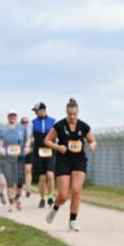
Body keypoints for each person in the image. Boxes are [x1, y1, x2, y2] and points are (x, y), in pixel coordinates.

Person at [43, 98, 96, 231]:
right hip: (63, 160)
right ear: (66, 113)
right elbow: (47, 140)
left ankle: (72, 221)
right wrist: (57, 147)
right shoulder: (59, 125)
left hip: (79, 160)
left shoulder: (83, 126)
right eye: (70, 114)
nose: (72, 117)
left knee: (77, 191)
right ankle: (55, 208)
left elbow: (92, 140)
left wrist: (92, 145)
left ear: (78, 113)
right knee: (63, 195)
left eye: (74, 114)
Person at [30, 102, 57, 209]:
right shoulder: (33, 122)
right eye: (35, 111)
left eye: (37, 111)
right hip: (38, 153)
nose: (36, 113)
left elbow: (58, 135)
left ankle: (50, 195)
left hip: (50, 151)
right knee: (42, 178)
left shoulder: (53, 121)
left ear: (43, 110)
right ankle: (42, 198)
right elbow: (30, 135)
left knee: (50, 175)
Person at [0, 110, 26, 211]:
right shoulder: (3, 129)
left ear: (16, 117)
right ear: (8, 117)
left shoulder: (21, 128)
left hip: (19, 157)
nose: (12, 117)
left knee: (19, 181)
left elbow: (26, 140)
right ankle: (11, 203)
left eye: (14, 115)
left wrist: (27, 146)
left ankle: (17, 199)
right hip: (7, 158)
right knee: (10, 181)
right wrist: (0, 148)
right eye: (11, 116)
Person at [21, 116, 33, 198]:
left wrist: (30, 142)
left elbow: (34, 139)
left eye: (26, 122)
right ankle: (19, 188)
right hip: (20, 152)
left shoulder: (31, 130)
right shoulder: (18, 130)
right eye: (23, 122)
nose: (25, 123)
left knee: (28, 170)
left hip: (29, 152)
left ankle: (28, 188)